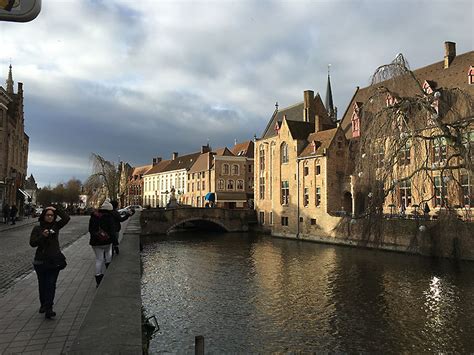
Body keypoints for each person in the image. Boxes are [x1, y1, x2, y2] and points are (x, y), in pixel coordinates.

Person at [30, 206, 70, 319]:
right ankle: (43, 304)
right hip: (41, 261)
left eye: (52, 215)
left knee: (51, 284)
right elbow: (32, 243)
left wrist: (56, 209)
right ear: (43, 216)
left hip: (53, 260)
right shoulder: (37, 228)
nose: (50, 217)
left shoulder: (56, 226)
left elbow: (66, 218)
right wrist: (43, 236)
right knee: (42, 284)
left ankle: (49, 308)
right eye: (48, 215)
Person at [88, 199, 116, 287]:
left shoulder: (93, 216)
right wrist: (115, 242)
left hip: (95, 242)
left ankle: (98, 279)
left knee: (99, 259)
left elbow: (90, 229)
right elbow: (112, 231)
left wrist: (96, 236)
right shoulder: (109, 217)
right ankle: (108, 274)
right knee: (108, 255)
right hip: (107, 241)